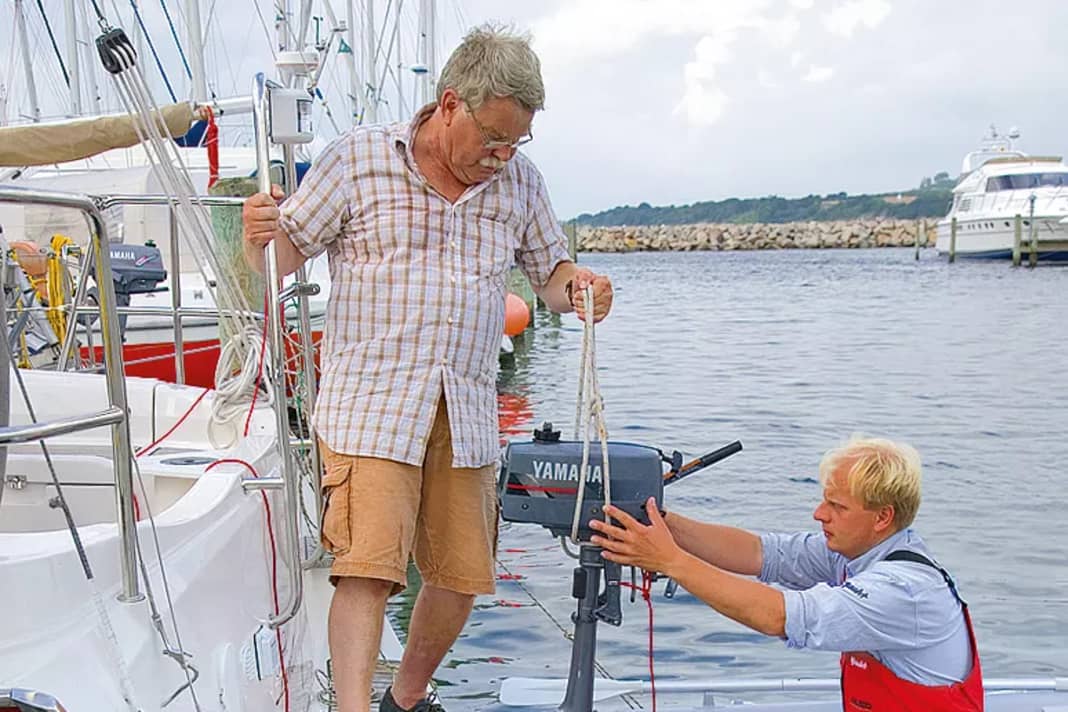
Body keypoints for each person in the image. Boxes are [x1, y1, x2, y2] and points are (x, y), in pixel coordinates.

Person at [242, 24, 614, 712]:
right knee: (367, 572)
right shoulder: (358, 161)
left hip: (466, 411)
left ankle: (406, 699)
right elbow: (281, 259)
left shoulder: (520, 184)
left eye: (516, 143)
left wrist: (580, 288)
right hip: (371, 406)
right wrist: (258, 233)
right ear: (450, 105)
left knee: (460, 575)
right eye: (493, 139)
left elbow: (551, 276)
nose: (501, 157)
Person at [590, 436, 984, 711]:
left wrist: (671, 561)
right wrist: (658, 522)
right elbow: (764, 553)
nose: (819, 514)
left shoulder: (902, 591)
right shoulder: (856, 552)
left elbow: (780, 616)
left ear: (883, 517)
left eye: (837, 506)